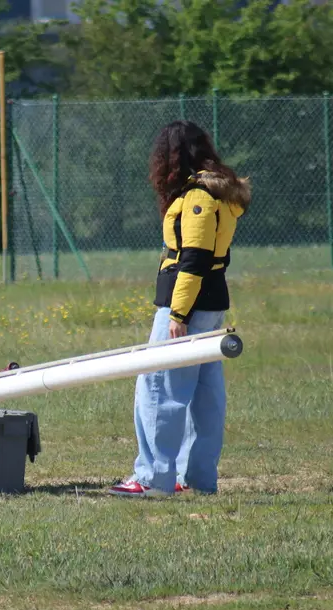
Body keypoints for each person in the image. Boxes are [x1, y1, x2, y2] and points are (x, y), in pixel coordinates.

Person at [109, 121, 251, 498]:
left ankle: (153, 478)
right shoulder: (220, 192)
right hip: (212, 303)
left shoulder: (198, 197)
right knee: (205, 394)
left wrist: (177, 314)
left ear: (172, 157)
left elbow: (194, 259)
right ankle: (198, 479)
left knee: (157, 387)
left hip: (187, 304)